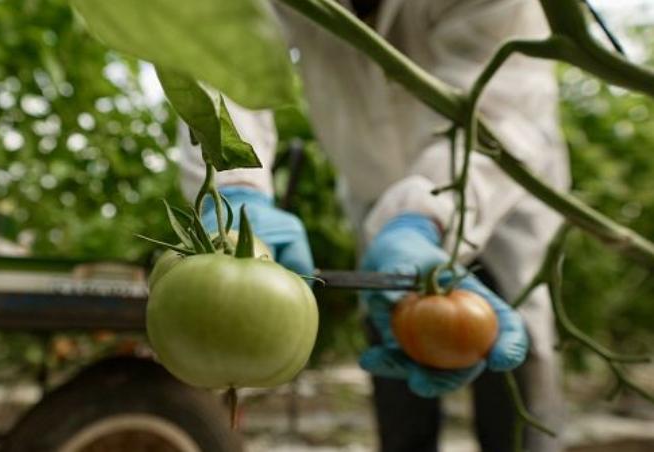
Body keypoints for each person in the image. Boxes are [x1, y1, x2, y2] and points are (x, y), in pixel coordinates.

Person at [177, 0, 568, 450]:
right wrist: (234, 184)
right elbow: (220, 52)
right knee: (397, 371)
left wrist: (423, 217)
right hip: (373, 191)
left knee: (518, 382)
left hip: (500, 194)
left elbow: (501, 111)